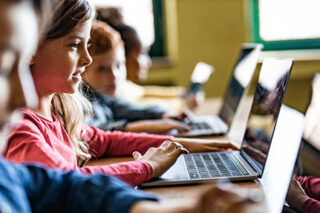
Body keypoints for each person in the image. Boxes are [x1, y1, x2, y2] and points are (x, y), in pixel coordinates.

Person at [0, 1, 265, 212]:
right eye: (75, 45)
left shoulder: (58, 109)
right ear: (31, 50)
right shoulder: (22, 128)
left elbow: (105, 140)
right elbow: (68, 184)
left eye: (87, 45)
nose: (88, 58)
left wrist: (199, 147)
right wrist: (146, 166)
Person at [82, 20, 191, 134]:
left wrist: (164, 114)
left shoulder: (104, 97)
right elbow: (94, 132)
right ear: (80, 70)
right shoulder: (81, 102)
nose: (114, 76)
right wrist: (146, 127)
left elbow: (129, 109)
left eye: (119, 65)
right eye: (102, 69)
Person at [96, 7, 203, 112]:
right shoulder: (111, 90)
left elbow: (143, 93)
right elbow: (141, 108)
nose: (148, 62)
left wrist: (182, 94)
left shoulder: (124, 86)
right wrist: (182, 104)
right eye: (141, 54)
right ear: (124, 55)